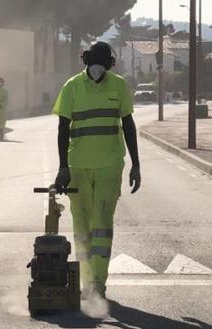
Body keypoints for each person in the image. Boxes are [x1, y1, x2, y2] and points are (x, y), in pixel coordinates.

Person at [53, 41, 142, 300]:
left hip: (109, 166)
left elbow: (128, 125)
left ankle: (98, 284)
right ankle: (86, 281)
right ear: (86, 61)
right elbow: (62, 129)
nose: (97, 70)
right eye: (94, 64)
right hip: (78, 167)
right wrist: (63, 167)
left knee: (102, 225)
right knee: (82, 225)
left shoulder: (119, 86)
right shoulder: (71, 87)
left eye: (102, 65)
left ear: (110, 65)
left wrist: (136, 164)